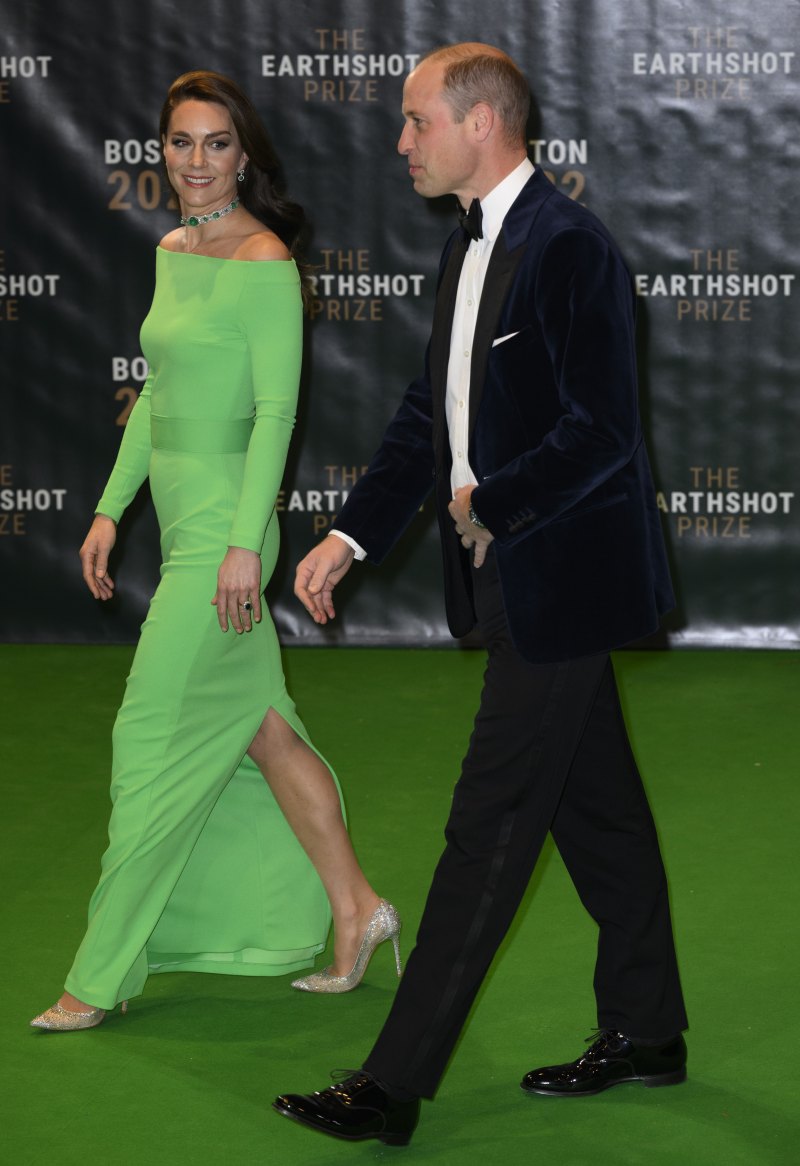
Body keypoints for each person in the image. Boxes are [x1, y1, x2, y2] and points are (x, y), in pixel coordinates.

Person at [272, 42, 688, 1146]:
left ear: (479, 124)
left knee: (489, 821)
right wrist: (351, 533)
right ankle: (647, 1027)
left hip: (561, 581)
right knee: (595, 811)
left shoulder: (569, 248)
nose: (399, 143)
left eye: (414, 122)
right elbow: (427, 417)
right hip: (512, 571)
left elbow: (600, 432)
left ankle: (389, 1085)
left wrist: (490, 500)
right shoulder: (465, 250)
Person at [30, 70, 400, 1033]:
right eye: (182, 142)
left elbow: (277, 409)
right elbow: (157, 398)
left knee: (147, 740)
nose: (197, 162)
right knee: (262, 732)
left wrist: (246, 544)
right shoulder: (173, 248)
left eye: (217, 144)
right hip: (189, 522)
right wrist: (112, 509)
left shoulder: (265, 258)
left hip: (229, 535)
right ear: (164, 150)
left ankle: (97, 977)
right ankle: (357, 910)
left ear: (246, 155)